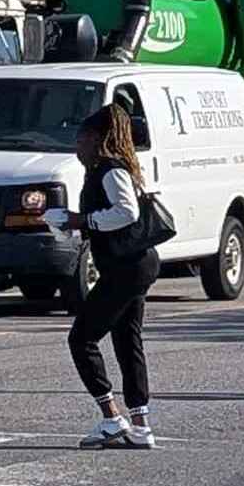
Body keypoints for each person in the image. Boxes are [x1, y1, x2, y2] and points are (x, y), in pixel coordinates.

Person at [66, 103, 160, 449]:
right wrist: (77, 222)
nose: (77, 149)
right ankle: (141, 426)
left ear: (95, 139)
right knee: (126, 340)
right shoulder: (109, 168)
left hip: (128, 267)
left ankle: (111, 418)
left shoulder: (110, 169)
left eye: (80, 141)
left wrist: (83, 220)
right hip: (131, 264)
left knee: (81, 339)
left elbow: (126, 212)